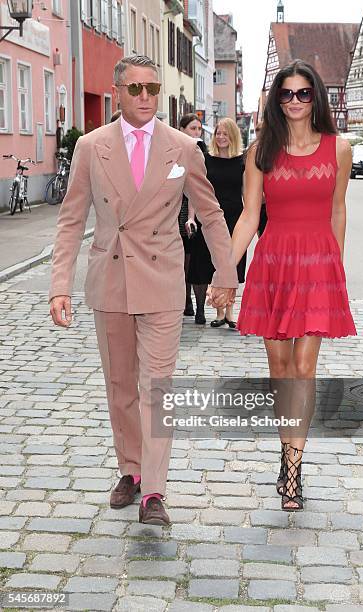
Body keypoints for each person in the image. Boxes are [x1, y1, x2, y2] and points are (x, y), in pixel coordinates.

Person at [49, 54, 238, 526]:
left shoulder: (183, 147)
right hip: (110, 281)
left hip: (161, 281)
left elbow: (212, 214)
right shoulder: (92, 147)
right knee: (120, 389)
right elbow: (71, 220)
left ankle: (154, 491)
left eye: (153, 89)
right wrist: (59, 286)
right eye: (136, 89)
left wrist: (226, 273)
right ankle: (130, 471)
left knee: (157, 389)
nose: (146, 97)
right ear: (117, 93)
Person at [232, 59, 357, 511]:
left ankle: (292, 469)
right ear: (275, 101)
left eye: (304, 93)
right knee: (281, 371)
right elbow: (249, 216)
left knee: (304, 367)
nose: (295, 101)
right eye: (286, 94)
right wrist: (226, 270)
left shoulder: (338, 148)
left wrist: (334, 266)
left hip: (317, 268)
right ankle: (287, 451)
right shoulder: (260, 152)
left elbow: (338, 210)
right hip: (275, 267)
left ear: (317, 97)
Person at [188, 118, 246, 327]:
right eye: (218, 133)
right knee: (210, 262)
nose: (221, 137)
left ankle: (229, 311)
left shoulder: (242, 162)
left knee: (231, 263)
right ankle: (219, 312)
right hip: (210, 217)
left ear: (233, 136)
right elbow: (197, 192)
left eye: (225, 133)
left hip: (234, 217)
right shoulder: (206, 160)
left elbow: (246, 194)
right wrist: (191, 218)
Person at [177, 113, 206, 316]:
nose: (196, 132)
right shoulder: (172, 150)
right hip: (174, 210)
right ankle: (184, 300)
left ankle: (192, 303)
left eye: (198, 129)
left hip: (192, 212)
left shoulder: (202, 151)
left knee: (191, 260)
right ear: (182, 130)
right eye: (192, 128)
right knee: (178, 262)